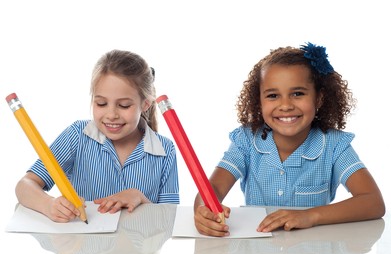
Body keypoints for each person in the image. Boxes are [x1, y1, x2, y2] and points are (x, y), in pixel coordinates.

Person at [194, 42, 385, 237]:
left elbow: (373, 202)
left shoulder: (334, 146)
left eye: (297, 93)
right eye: (273, 95)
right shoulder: (245, 141)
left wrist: (310, 216)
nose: (285, 105)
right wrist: (203, 209)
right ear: (258, 101)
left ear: (318, 98)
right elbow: (214, 188)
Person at [15, 50, 179, 223]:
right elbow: (25, 185)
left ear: (145, 104)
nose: (111, 114)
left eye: (123, 105)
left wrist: (141, 198)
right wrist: (48, 205)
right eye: (101, 103)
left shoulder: (165, 150)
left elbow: (170, 219)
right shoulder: (77, 136)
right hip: (84, 247)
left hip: (138, 249)